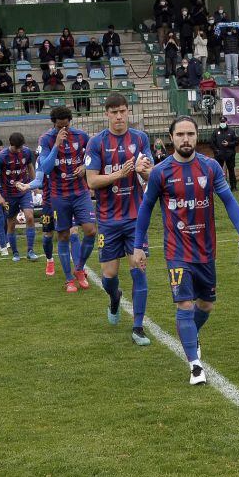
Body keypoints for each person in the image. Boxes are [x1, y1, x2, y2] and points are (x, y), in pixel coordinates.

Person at [132, 116, 239, 385]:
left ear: (197, 137)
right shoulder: (161, 172)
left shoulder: (210, 168)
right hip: (176, 251)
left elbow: (229, 200)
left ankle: (190, 335)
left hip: (206, 251)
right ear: (171, 138)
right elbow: (145, 209)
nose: (185, 139)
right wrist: (138, 245)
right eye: (180, 134)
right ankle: (195, 366)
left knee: (206, 305)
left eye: (190, 134)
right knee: (184, 304)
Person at [83, 93, 154, 344]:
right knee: (109, 277)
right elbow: (92, 181)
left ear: (128, 112)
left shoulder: (140, 139)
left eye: (123, 111)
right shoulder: (96, 143)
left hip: (136, 218)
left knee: (139, 270)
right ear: (107, 114)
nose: (119, 116)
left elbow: (151, 175)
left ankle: (138, 327)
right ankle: (114, 299)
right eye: (114, 112)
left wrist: (144, 172)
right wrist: (119, 175)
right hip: (109, 220)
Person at [33, 106, 97, 286]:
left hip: (80, 192)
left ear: (70, 122)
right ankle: (69, 279)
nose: (64, 130)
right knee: (63, 235)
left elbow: (95, 157)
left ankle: (80, 268)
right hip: (59, 195)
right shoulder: (46, 139)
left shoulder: (82, 136)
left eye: (66, 126)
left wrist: (85, 167)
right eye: (60, 127)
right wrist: (56, 146)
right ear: (54, 124)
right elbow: (45, 168)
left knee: (91, 230)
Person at [0, 132, 37, 262]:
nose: (20, 150)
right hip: (9, 194)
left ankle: (30, 250)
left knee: (29, 216)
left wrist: (34, 185)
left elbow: (30, 167)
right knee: (11, 223)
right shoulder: (2, 157)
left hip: (24, 191)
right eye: (17, 147)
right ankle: (16, 253)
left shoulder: (27, 152)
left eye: (21, 147)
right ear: (11, 145)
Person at [211, 116, 238, 186]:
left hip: (230, 155)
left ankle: (233, 186)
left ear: (226, 122)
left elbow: (236, 142)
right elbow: (212, 143)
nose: (222, 123)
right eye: (221, 122)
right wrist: (216, 151)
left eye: (224, 122)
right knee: (218, 172)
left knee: (231, 171)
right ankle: (218, 186)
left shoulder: (231, 131)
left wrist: (228, 144)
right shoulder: (216, 131)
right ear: (219, 122)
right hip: (219, 155)